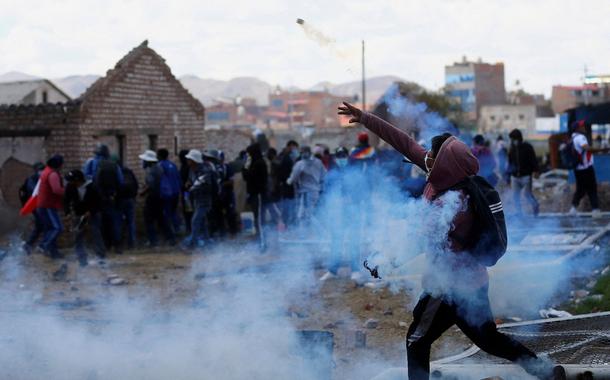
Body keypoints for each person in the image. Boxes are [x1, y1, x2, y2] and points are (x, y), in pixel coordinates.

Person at [338, 102, 560, 380]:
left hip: (447, 289)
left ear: (444, 162)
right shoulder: (450, 176)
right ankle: (546, 372)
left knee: (417, 340)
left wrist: (384, 261)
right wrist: (366, 119)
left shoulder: (452, 204)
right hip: (474, 282)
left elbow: (418, 240)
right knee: (488, 339)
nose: (426, 156)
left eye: (432, 154)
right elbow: (405, 143)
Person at [569, 120, 610, 216]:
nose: (584, 127)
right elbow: (588, 149)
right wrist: (603, 149)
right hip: (586, 168)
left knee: (581, 189)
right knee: (592, 188)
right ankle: (595, 210)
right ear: (578, 128)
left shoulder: (572, 138)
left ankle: (573, 208)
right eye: (582, 126)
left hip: (578, 168)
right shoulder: (580, 137)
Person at [64, 169, 104, 266]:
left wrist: (90, 211)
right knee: (78, 236)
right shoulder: (70, 186)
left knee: (96, 234)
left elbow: (99, 202)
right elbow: (66, 200)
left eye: (73, 181)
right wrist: (67, 213)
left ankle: (101, 257)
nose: (71, 183)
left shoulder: (92, 187)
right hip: (79, 214)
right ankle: (82, 259)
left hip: (93, 214)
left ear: (79, 180)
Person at [139, 150, 175, 247]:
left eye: (144, 160)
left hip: (153, 198)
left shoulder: (151, 170)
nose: (142, 162)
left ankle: (153, 240)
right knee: (161, 219)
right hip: (160, 197)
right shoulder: (159, 168)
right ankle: (170, 238)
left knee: (149, 219)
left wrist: (142, 192)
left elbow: (151, 185)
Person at [183, 149, 217, 249]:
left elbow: (202, 185)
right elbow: (190, 180)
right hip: (197, 199)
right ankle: (207, 242)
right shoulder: (192, 169)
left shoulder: (205, 171)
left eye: (189, 159)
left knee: (195, 220)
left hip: (205, 200)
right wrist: (188, 183)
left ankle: (192, 243)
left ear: (194, 160)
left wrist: (191, 187)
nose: (187, 160)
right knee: (201, 222)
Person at [286, 146, 326, 224]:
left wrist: (288, 181)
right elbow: (323, 175)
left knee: (305, 214)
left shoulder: (300, 164)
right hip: (316, 191)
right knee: (312, 212)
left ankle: (314, 231)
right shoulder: (318, 162)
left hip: (306, 193)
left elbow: (293, 178)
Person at [37, 154, 65, 259]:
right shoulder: (53, 174)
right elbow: (57, 190)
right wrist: (66, 190)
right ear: (58, 164)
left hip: (43, 204)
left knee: (50, 229)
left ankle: (54, 253)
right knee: (58, 228)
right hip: (48, 205)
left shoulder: (46, 171)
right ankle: (43, 245)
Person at [242, 143, 268, 251]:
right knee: (256, 218)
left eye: (249, 153)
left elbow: (248, 177)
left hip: (258, 194)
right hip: (254, 194)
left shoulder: (258, 163)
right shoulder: (256, 162)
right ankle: (259, 241)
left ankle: (262, 243)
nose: (248, 156)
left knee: (259, 220)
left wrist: (245, 168)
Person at [507, 129, 539, 216]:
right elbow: (510, 163)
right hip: (515, 177)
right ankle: (518, 212)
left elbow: (533, 159)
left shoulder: (528, 147)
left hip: (526, 176)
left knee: (527, 194)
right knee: (515, 196)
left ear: (518, 138)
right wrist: (508, 176)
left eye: (513, 139)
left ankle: (535, 207)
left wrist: (536, 170)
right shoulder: (511, 149)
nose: (513, 141)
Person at [19, 162, 45, 254]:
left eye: (43, 169)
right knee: (43, 225)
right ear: (36, 171)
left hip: (40, 206)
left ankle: (29, 245)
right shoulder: (32, 179)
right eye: (40, 170)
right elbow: (34, 192)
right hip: (35, 206)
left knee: (40, 226)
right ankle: (38, 246)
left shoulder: (40, 178)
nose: (42, 171)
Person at [157, 148, 182, 235]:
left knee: (167, 213)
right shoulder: (173, 165)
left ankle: (171, 234)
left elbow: (158, 179)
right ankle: (177, 228)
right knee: (173, 211)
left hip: (167, 193)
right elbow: (178, 178)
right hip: (176, 191)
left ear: (159, 156)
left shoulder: (160, 165)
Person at [115, 158, 139, 250]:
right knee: (131, 222)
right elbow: (136, 185)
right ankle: (132, 243)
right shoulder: (129, 171)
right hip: (131, 199)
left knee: (119, 222)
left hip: (120, 200)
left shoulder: (116, 173)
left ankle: (120, 244)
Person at [276, 140, 299, 226]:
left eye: (296, 148)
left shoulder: (294, 158)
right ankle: (287, 224)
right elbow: (282, 173)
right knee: (287, 207)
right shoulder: (285, 158)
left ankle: (291, 224)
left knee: (292, 207)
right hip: (287, 187)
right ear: (289, 147)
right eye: (293, 147)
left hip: (292, 188)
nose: (295, 150)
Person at [178, 149, 194, 234]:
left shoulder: (186, 167)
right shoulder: (186, 166)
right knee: (188, 211)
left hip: (187, 193)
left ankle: (190, 229)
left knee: (188, 212)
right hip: (186, 193)